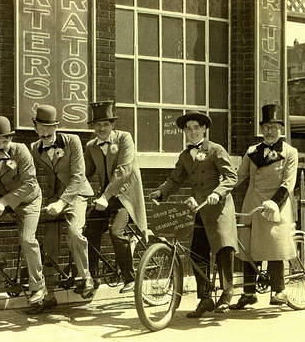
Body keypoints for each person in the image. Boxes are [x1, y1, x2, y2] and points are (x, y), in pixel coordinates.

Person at [149, 111, 238, 317]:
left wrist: (218, 192)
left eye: (196, 128)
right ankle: (205, 298)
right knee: (197, 251)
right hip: (199, 208)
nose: (192, 132)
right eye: (188, 129)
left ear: (204, 129)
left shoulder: (216, 150)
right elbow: (175, 180)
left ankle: (227, 293)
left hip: (220, 205)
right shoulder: (184, 156)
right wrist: (161, 192)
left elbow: (231, 176)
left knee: (224, 246)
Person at [0, 116, 48, 310]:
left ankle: (38, 287)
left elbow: (30, 184)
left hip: (29, 201)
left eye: (6, 141)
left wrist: (4, 202)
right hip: (0, 201)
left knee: (27, 239)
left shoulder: (21, 151)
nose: (2, 146)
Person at [230, 104, 299, 309]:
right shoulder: (252, 152)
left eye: (273, 127)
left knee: (273, 246)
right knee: (248, 248)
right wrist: (220, 190)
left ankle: (279, 290)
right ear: (261, 129)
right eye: (266, 127)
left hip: (276, 204)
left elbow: (288, 183)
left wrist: (274, 203)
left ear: (281, 129)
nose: (269, 131)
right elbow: (239, 176)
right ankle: (249, 293)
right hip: (252, 203)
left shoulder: (290, 152)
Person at [30, 104, 95, 311]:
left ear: (56, 126)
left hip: (77, 195)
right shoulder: (34, 148)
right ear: (36, 127)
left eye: (50, 127)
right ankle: (49, 294)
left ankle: (86, 278)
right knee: (48, 244)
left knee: (74, 232)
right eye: (42, 127)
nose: (46, 132)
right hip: (53, 198)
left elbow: (78, 176)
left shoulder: (72, 141)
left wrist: (62, 202)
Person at [83, 101, 147, 293]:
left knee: (116, 231)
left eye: (106, 124)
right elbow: (85, 172)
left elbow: (124, 171)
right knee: (89, 232)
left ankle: (130, 278)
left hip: (126, 196)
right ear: (93, 127)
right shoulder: (91, 146)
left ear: (112, 125)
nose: (102, 128)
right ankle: (91, 279)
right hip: (105, 197)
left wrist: (105, 196)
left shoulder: (124, 139)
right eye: (98, 125)